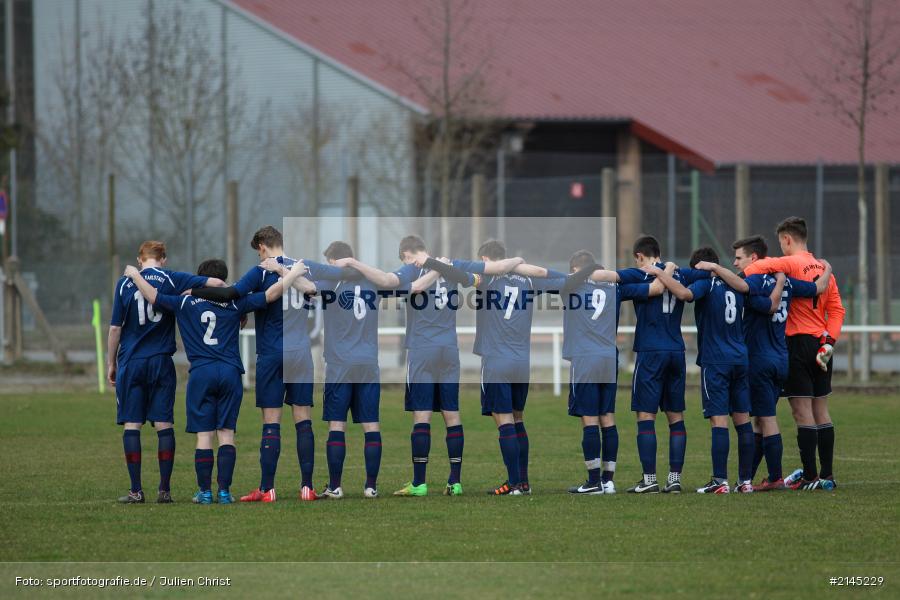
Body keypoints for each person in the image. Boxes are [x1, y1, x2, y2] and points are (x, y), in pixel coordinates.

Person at [333, 235, 522, 497]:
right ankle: (454, 482)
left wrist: (357, 263)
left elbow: (388, 282)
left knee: (422, 415)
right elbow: (485, 276)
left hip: (422, 350)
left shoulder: (413, 268)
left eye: (405, 259)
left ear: (407, 255)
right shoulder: (450, 269)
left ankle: (419, 483)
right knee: (451, 414)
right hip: (449, 350)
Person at [190, 226, 354, 503]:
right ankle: (307, 487)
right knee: (303, 420)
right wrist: (349, 263)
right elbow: (336, 277)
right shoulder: (304, 267)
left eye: (258, 251)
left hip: (271, 353)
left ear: (263, 247)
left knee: (271, 422)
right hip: (301, 353)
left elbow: (232, 295)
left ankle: (267, 488)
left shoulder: (261, 271)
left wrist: (193, 290)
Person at [124, 259, 307, 503]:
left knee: (204, 436)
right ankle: (224, 491)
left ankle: (205, 492)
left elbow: (154, 296)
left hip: (201, 373)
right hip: (231, 373)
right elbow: (271, 295)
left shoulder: (185, 301)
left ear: (201, 278)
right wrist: (292, 273)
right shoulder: (235, 302)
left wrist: (136, 276)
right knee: (227, 434)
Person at [463, 240, 593, 496]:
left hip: (496, 360)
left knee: (503, 421)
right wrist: (590, 271)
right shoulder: (529, 280)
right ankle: (523, 482)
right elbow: (565, 282)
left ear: (485, 259)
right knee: (518, 418)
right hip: (521, 361)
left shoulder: (486, 278)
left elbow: (464, 275)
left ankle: (513, 484)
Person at [109, 241, 224, 504]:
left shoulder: (125, 283)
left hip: (132, 361)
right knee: (164, 424)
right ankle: (164, 490)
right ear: (164, 259)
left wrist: (110, 363)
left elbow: (115, 328)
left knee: (132, 423)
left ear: (140, 259)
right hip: (161, 361)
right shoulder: (172, 278)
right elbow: (215, 283)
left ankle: (136, 490)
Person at [742, 217, 845, 490]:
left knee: (801, 412)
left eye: (781, 244)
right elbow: (836, 310)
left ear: (787, 239)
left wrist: (773, 269)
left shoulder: (790, 264)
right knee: (821, 410)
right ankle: (827, 475)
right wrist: (829, 341)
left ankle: (810, 476)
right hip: (821, 345)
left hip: (796, 344)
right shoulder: (825, 270)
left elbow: (754, 267)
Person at [648, 247, 761, 493]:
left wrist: (659, 272)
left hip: (716, 361)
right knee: (743, 421)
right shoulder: (737, 283)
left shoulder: (706, 283)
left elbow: (685, 294)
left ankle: (720, 481)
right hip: (741, 359)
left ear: (699, 267)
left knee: (718, 420)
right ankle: (745, 482)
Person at [605, 235, 710, 494]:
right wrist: (671, 267)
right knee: (676, 417)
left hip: (651, 352)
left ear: (640, 256)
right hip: (676, 351)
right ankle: (674, 478)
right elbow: (703, 276)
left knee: (645, 416)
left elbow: (613, 278)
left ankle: (649, 479)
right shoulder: (682, 275)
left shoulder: (639, 274)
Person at [563, 250, 667, 494]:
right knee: (607, 417)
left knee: (589, 418)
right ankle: (608, 480)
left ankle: (592, 482)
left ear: (576, 269)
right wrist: (667, 268)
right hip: (609, 356)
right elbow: (656, 289)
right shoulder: (615, 286)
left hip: (585, 357)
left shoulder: (572, 285)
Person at [315, 241, 384, 499]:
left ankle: (335, 486)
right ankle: (371, 486)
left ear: (334, 261)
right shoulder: (372, 281)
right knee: (371, 426)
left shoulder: (330, 282)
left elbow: (306, 288)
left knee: (337, 424)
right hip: (368, 363)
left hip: (339, 364)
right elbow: (392, 281)